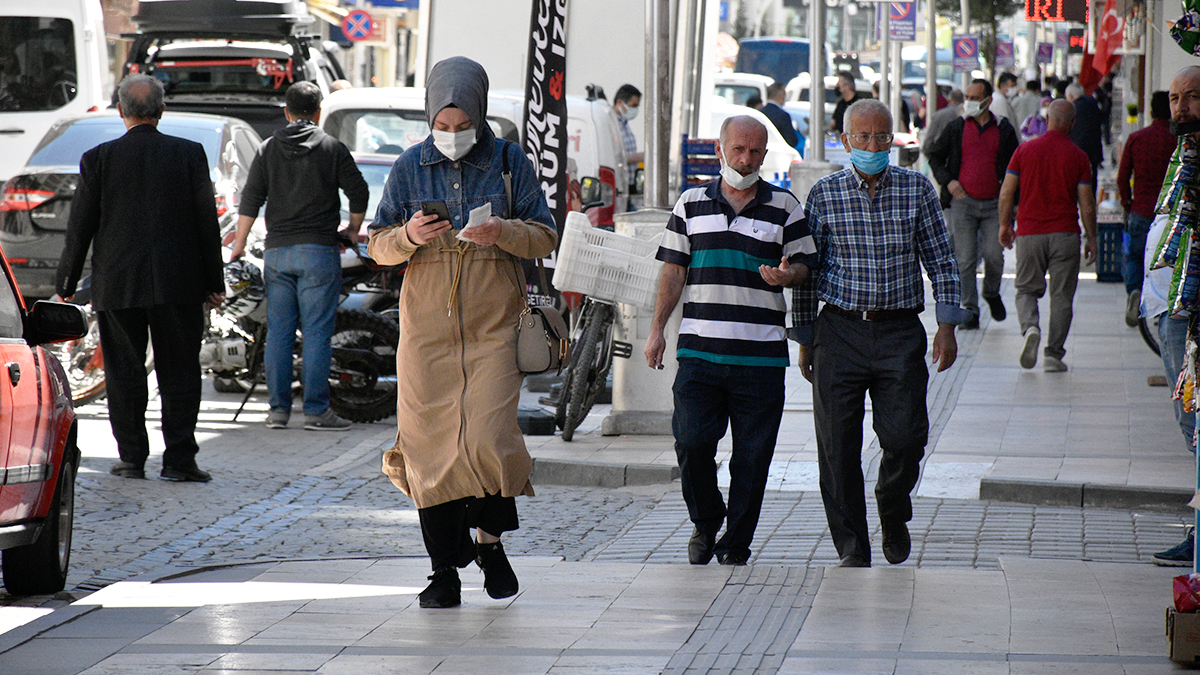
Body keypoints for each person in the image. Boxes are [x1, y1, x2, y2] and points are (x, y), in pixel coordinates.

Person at [366, 57, 557, 608]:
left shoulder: (509, 160)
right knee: (429, 447)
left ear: (480, 113)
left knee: (490, 437)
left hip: (494, 325)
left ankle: (490, 544)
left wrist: (503, 231)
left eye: (463, 124)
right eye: (442, 126)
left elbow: (545, 235)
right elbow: (376, 246)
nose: (452, 135)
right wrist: (408, 235)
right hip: (427, 329)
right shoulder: (409, 165)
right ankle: (443, 570)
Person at [793, 99, 967, 568]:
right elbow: (809, 272)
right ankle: (853, 546)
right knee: (837, 447)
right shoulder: (824, 194)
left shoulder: (916, 189)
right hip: (839, 331)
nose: (873, 146)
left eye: (882, 137)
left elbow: (942, 260)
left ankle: (892, 505)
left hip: (899, 333)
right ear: (845, 140)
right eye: (864, 137)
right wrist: (806, 337)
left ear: (894, 139)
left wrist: (946, 325)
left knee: (906, 437)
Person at [644, 115, 815, 568]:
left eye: (755, 151)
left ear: (764, 155)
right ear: (720, 150)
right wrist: (657, 329)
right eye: (738, 149)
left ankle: (736, 542)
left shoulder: (785, 207)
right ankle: (706, 520)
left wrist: (788, 275)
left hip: (760, 360)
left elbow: (804, 267)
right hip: (699, 353)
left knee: (752, 459)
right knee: (691, 443)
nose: (746, 159)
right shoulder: (690, 204)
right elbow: (673, 272)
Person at [55, 74, 224, 482]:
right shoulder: (189, 153)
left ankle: (131, 457)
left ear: (121, 111)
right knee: (180, 372)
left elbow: (80, 227)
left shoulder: (98, 158)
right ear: (161, 110)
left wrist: (66, 286)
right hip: (179, 282)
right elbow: (207, 222)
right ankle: (179, 459)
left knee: (124, 372)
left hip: (119, 282)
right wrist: (214, 282)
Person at [230, 82, 368, 432]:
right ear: (319, 113)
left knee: (278, 333)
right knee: (317, 334)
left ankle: (278, 412)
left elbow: (251, 199)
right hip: (319, 252)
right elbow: (359, 191)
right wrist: (353, 230)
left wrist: (239, 243)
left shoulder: (267, 149)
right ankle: (316, 411)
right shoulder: (332, 148)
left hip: (278, 253)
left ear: (286, 112)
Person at [998, 100, 1098, 373]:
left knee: (1025, 290)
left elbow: (1006, 192)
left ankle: (1030, 327)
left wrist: (1005, 224)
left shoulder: (1024, 150)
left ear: (1048, 118)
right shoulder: (1079, 157)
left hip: (1029, 233)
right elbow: (1087, 204)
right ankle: (1053, 355)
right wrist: (1092, 238)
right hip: (1065, 234)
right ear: (1072, 124)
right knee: (1062, 297)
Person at [1149, 65, 1200, 567]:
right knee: (1192, 427)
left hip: (1189, 315)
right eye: (1175, 98)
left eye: (1192, 98)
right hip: (1173, 309)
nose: (1181, 108)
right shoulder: (1183, 153)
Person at [926, 78, 1019, 329]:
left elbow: (1016, 167)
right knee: (965, 259)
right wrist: (948, 181)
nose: (969, 102)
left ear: (988, 101)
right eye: (967, 97)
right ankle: (970, 309)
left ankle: (991, 292)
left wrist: (1015, 203)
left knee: (994, 255)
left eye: (975, 98)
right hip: (963, 203)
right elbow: (934, 156)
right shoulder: (956, 127)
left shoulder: (1003, 130)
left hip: (995, 205)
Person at [1117, 91, 1175, 327]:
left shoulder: (1136, 138)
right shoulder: (1178, 141)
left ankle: (1135, 290)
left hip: (1141, 209)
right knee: (1168, 261)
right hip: (1170, 213)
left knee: (1135, 255)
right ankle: (1162, 308)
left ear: (1150, 112)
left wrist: (1127, 202)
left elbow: (1122, 177)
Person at [1066, 82, 1104, 190]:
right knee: (1091, 181)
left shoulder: (1072, 108)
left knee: (1077, 183)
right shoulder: (1092, 102)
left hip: (1077, 150)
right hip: (1094, 150)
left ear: (1070, 96)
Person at [920, 88, 963, 160]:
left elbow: (930, 137)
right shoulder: (967, 115)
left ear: (950, 100)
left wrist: (931, 157)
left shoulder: (939, 115)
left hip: (942, 156)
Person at [761, 81, 800, 149]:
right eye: (784, 95)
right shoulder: (783, 116)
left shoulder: (759, 113)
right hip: (779, 151)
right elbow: (792, 141)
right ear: (780, 97)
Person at [613, 83, 644, 169]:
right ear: (619, 102)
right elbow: (611, 158)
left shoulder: (624, 124)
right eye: (633, 105)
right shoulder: (610, 124)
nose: (635, 109)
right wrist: (636, 157)